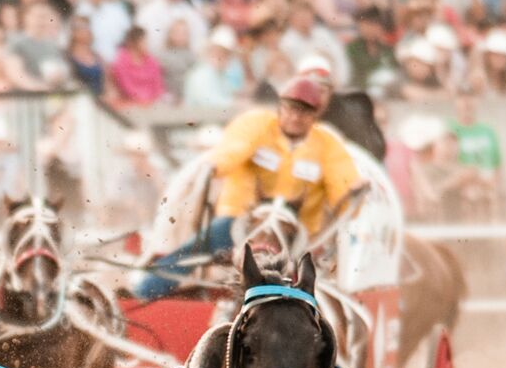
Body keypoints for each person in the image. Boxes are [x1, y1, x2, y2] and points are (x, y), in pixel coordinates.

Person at [133, 67, 363, 299]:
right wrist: (218, 164)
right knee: (195, 249)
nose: (295, 117)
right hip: (240, 221)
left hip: (297, 231)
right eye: (291, 109)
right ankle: (145, 291)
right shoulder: (257, 124)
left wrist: (351, 190)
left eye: (303, 112)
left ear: (314, 116)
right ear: (281, 107)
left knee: (313, 275)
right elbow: (234, 149)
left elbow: (342, 181)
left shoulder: (327, 144)